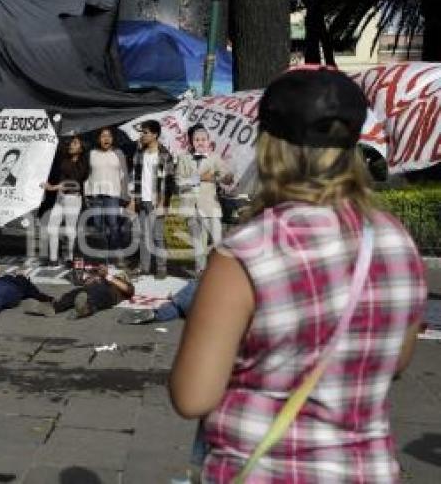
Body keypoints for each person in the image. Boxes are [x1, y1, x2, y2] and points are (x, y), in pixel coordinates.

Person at [169, 68, 427, 481]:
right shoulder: (397, 240)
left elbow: (193, 396)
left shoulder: (248, 251)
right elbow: (395, 360)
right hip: (366, 470)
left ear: (270, 146)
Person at [175, 124, 232, 275]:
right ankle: (200, 271)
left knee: (218, 241)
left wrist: (227, 177)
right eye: (196, 139)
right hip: (190, 207)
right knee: (197, 244)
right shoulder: (183, 158)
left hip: (210, 206)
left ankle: (221, 271)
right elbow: (179, 182)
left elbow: (226, 176)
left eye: (203, 139)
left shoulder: (215, 158)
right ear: (192, 142)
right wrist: (199, 178)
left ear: (208, 141)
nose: (200, 142)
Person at [127, 120, 173, 278]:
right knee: (143, 235)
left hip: (156, 201)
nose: (143, 135)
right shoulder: (140, 154)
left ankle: (161, 268)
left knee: (157, 236)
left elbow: (169, 181)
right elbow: (134, 178)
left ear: (155, 134)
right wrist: (133, 200)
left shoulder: (164, 155)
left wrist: (163, 203)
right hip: (142, 200)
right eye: (142, 132)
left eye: (146, 132)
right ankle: (144, 267)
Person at [43, 136, 89, 266]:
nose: (71, 145)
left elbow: (73, 183)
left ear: (81, 148)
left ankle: (70, 258)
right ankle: (53, 259)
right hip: (60, 197)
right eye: (71, 143)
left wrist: (53, 187)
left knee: (70, 230)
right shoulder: (65, 159)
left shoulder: (83, 163)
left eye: (75, 143)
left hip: (73, 198)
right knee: (52, 228)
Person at [84, 127, 128, 262]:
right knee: (98, 225)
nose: (106, 138)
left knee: (113, 224)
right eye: (103, 136)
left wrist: (126, 196)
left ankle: (116, 254)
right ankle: (103, 257)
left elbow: (124, 175)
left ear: (113, 138)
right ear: (98, 138)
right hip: (94, 194)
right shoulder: (91, 153)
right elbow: (85, 174)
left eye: (109, 136)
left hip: (113, 194)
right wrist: (85, 193)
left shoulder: (119, 153)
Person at [24, 265, 133, 319]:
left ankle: (85, 308)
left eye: (120, 275)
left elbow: (127, 290)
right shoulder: (102, 279)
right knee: (76, 292)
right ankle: (54, 308)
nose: (117, 275)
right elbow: (86, 285)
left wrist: (108, 277)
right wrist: (93, 279)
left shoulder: (121, 286)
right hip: (90, 290)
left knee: (97, 295)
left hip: (108, 295)